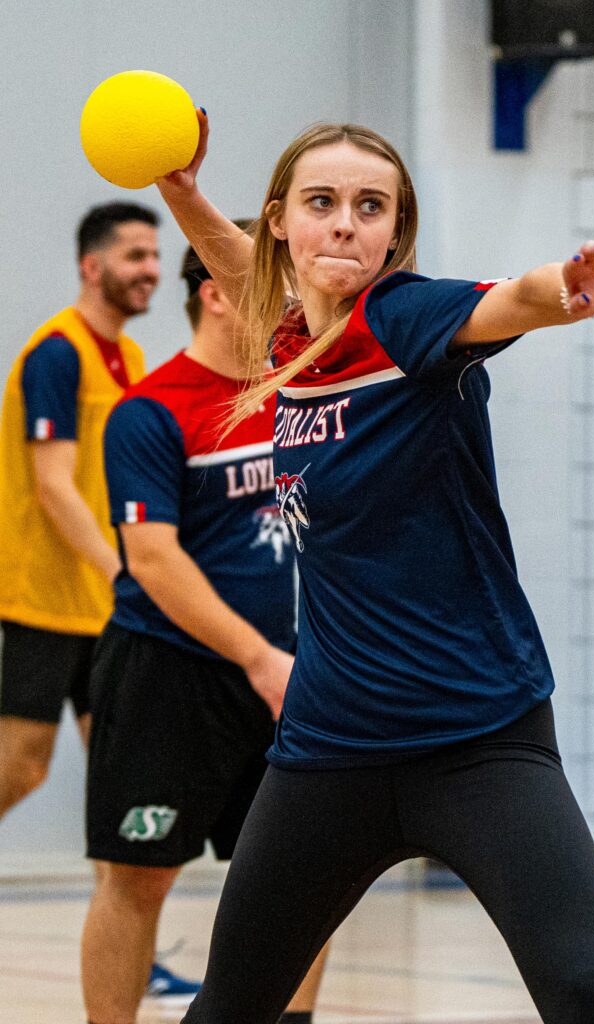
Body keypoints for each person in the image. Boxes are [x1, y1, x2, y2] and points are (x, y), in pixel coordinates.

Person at [153, 114, 594, 1024]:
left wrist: (567, 289)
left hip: (479, 739)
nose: (345, 223)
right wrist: (182, 193)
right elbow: (242, 270)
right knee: (230, 1005)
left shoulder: (405, 319)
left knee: (583, 988)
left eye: (369, 206)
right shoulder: (288, 337)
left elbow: (507, 302)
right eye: (322, 203)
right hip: (328, 752)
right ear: (281, 222)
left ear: (393, 232)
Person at [81, 237, 329, 1024]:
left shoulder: (297, 399)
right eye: (269, 287)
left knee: (303, 874)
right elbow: (151, 561)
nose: (289, 304)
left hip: (291, 677)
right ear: (215, 293)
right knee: (138, 876)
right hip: (169, 676)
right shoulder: (151, 411)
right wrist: (257, 657)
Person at [0, 201, 198, 1001]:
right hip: (48, 600)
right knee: (21, 766)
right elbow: (53, 487)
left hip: (105, 609)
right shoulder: (57, 353)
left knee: (123, 778)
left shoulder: (130, 359)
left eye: (156, 256)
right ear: (93, 266)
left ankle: (128, 946)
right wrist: (129, 569)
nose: (151, 268)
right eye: (136, 255)